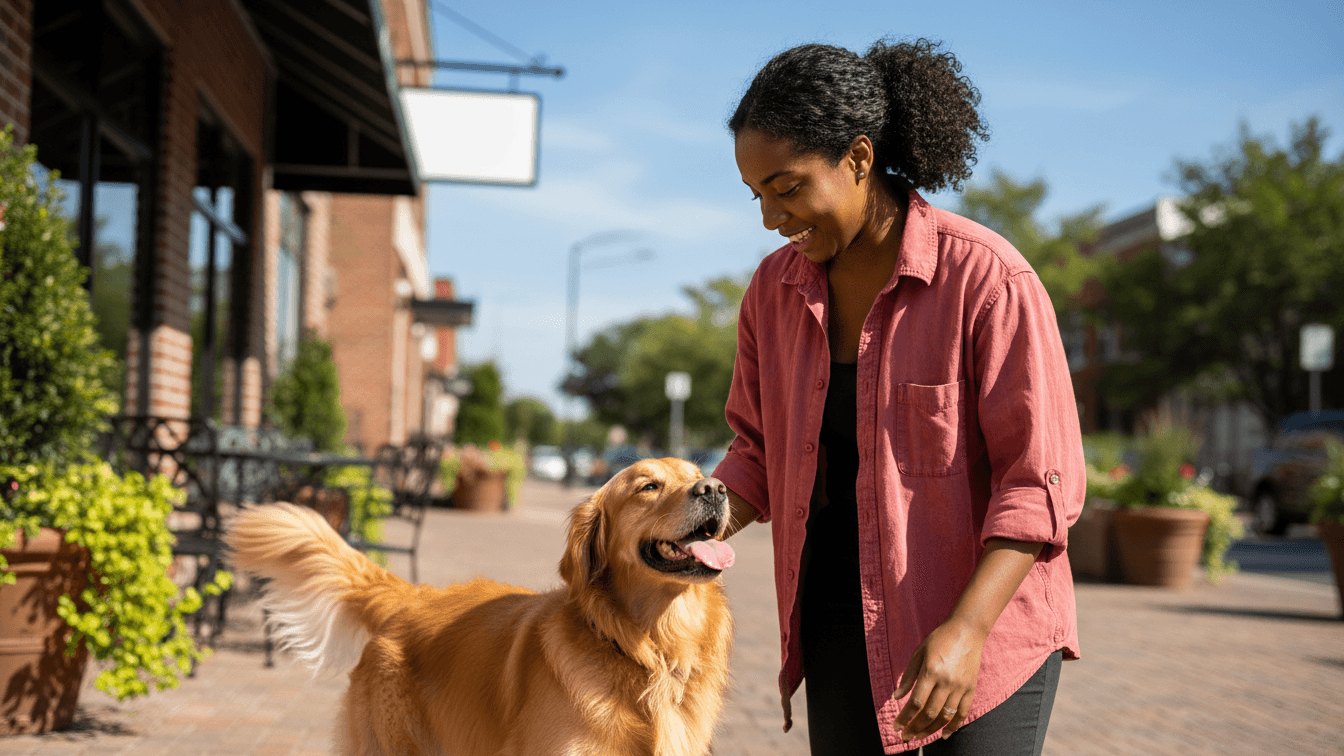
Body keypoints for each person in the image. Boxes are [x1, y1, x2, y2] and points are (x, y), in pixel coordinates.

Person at [712, 39, 1085, 756]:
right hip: (836, 621)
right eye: (756, 195)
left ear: (857, 158)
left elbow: (1036, 483)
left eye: (787, 189)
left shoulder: (988, 280)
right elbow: (754, 451)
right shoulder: (770, 293)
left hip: (982, 628)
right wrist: (678, 528)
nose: (770, 218)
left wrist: (967, 632)